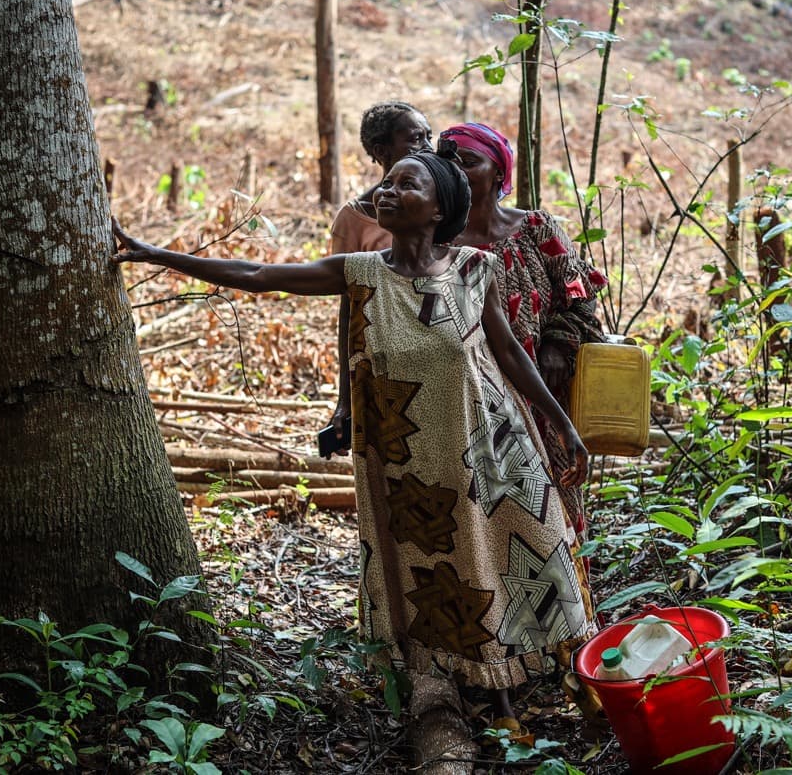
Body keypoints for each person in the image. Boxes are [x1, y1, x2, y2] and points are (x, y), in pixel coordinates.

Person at [111, 143, 594, 750]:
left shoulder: (475, 269)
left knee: (522, 554)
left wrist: (563, 426)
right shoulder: (359, 273)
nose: (387, 191)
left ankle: (551, 685)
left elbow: (511, 356)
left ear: (439, 205)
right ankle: (475, 693)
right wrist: (153, 254)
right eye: (386, 183)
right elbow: (259, 278)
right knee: (452, 572)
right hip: (411, 467)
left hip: (494, 454)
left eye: (407, 184)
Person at [441, 122, 607, 537]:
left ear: (499, 172)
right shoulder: (436, 243)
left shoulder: (535, 229)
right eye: (449, 162)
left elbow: (580, 296)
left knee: (554, 514)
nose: (458, 171)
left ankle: (565, 599)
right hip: (468, 399)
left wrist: (558, 344)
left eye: (470, 161)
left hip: (542, 395)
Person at [328, 101, 434, 451]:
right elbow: (350, 310)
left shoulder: (438, 205)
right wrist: (345, 398)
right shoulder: (355, 219)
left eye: (429, 137)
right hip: (385, 361)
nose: (428, 148)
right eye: (416, 139)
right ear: (381, 151)